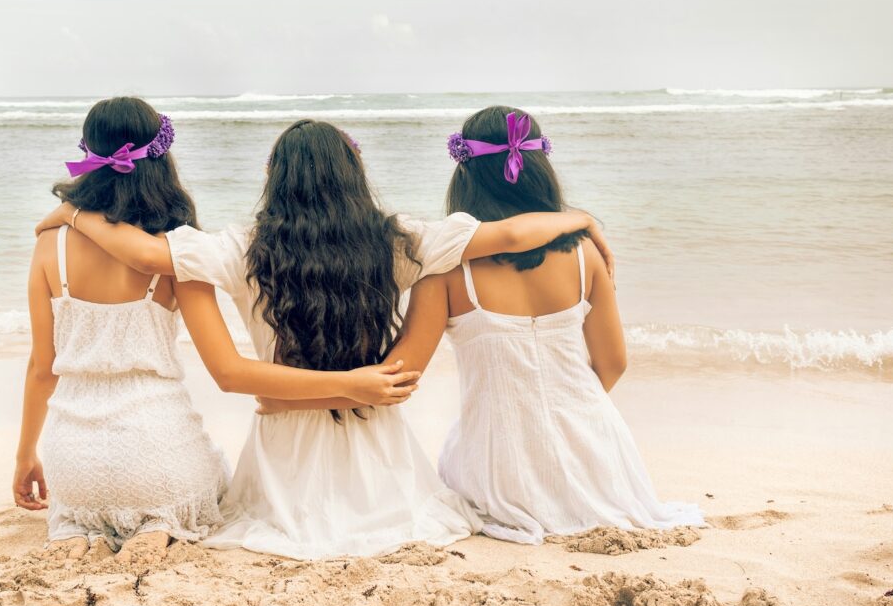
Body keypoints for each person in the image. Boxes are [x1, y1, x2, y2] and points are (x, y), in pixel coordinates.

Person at [36, 118, 614, 559]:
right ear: (355, 174)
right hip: (382, 460)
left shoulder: (242, 248)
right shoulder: (400, 242)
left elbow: (143, 251)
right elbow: (510, 232)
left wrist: (75, 213)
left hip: (282, 458)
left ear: (273, 179)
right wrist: (580, 219)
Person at [271, 106, 703, 544]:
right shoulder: (586, 254)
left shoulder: (447, 270)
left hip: (499, 464)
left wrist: (292, 393)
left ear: (465, 175)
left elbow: (395, 382)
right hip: (601, 461)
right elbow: (613, 364)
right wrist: (562, 419)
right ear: (541, 169)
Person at [15, 100, 423, 563]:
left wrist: (25, 455)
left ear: (87, 152)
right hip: (156, 448)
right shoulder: (175, 245)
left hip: (73, 457)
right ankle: (158, 524)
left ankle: (75, 527)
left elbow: (41, 368)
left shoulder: (51, 244)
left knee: (75, 509)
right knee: (201, 483)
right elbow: (223, 368)